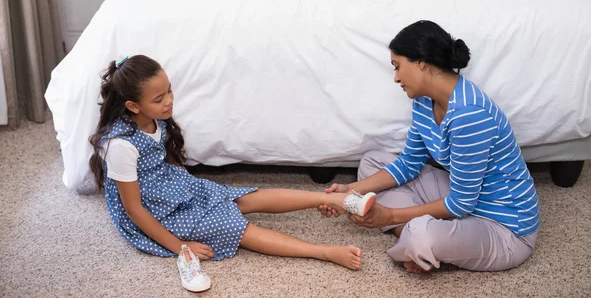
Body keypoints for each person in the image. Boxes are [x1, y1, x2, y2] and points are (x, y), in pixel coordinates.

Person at [88, 55, 376, 291]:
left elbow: (165, 157)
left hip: (171, 187)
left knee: (242, 197)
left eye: (169, 91)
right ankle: (324, 252)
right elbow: (134, 209)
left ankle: (333, 199)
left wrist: (190, 186)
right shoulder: (120, 145)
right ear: (133, 105)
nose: (169, 101)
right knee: (233, 227)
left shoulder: (153, 117)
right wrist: (179, 246)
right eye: (159, 98)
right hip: (155, 209)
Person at [319, 20, 539, 273]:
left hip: (504, 228)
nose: (396, 78)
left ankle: (418, 237)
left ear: (421, 62)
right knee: (373, 161)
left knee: (421, 236)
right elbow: (409, 163)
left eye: (398, 66)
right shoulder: (424, 101)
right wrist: (349, 190)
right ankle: (422, 236)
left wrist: (389, 216)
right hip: (464, 197)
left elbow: (461, 204)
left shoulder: (470, 115)